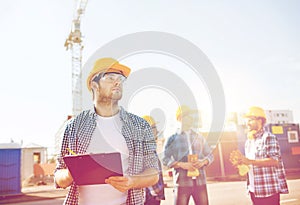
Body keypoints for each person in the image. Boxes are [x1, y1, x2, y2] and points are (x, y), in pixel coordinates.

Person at [54, 57, 159, 205]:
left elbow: (153, 173)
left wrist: (132, 181)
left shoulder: (140, 126)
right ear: (94, 85)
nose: (117, 82)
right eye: (110, 78)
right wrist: (72, 172)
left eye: (120, 79)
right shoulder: (73, 127)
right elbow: (59, 177)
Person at [230, 106, 289, 205]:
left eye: (250, 120)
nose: (247, 123)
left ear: (260, 120)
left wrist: (249, 161)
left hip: (268, 191)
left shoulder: (268, 137)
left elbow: (274, 161)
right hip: (254, 190)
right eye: (246, 120)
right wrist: (241, 164)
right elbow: (250, 164)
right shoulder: (249, 141)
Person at [163, 105, 213, 205]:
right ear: (179, 118)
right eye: (186, 116)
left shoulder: (199, 137)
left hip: (200, 182)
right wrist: (181, 165)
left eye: (190, 116)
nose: (189, 119)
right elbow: (165, 159)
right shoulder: (172, 138)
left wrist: (203, 162)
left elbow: (210, 155)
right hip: (182, 183)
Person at [142, 115, 165, 205]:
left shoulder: (150, 147)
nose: (157, 131)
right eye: (154, 127)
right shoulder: (145, 148)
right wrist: (155, 191)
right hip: (150, 195)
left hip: (152, 194)